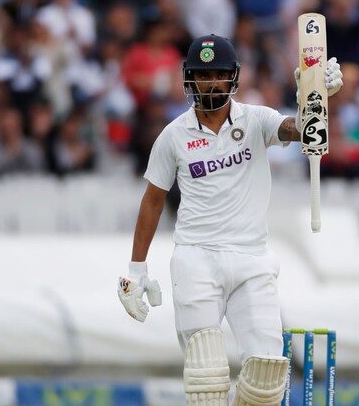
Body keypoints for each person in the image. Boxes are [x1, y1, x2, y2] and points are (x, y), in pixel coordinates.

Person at [117, 34, 343, 406]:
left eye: (219, 74)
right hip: (196, 258)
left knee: (268, 377)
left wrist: (314, 99)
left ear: (233, 78)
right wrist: (135, 268)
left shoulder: (255, 119)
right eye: (203, 76)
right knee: (206, 382)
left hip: (252, 257)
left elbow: (301, 130)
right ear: (189, 80)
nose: (212, 83)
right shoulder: (173, 136)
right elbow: (153, 201)